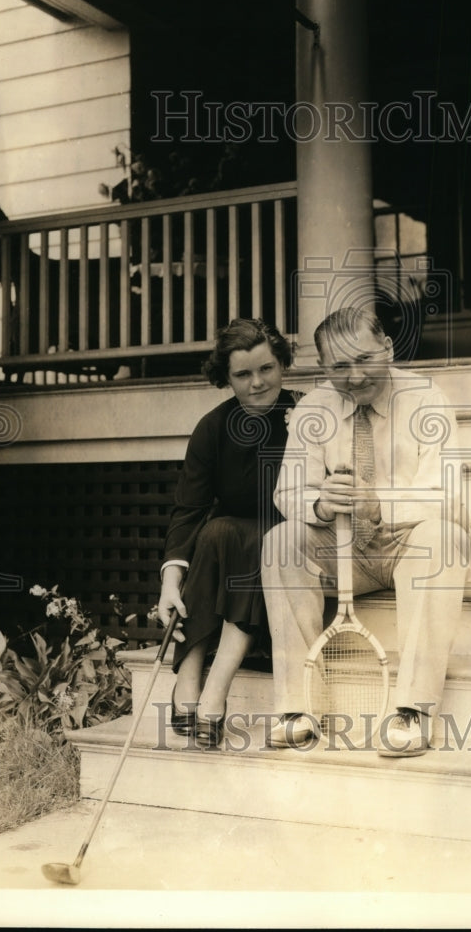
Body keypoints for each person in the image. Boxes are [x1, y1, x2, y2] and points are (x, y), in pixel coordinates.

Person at [260, 306, 470, 757]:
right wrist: (319, 503)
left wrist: (378, 503)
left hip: (404, 543)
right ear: (323, 368)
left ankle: (412, 710)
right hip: (341, 549)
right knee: (280, 541)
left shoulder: (426, 400)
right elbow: (286, 494)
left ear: (388, 349)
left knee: (443, 538)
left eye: (364, 359)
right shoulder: (315, 408)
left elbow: (448, 496)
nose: (354, 376)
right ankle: (297, 709)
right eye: (339, 366)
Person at [157, 318, 299, 749]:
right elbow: (189, 509)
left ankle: (217, 684)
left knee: (261, 540)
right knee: (216, 531)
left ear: (282, 365)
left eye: (267, 369)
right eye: (243, 374)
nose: (257, 383)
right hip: (230, 539)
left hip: (291, 536)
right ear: (226, 378)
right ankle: (189, 673)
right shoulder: (212, 428)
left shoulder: (308, 413)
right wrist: (169, 582)